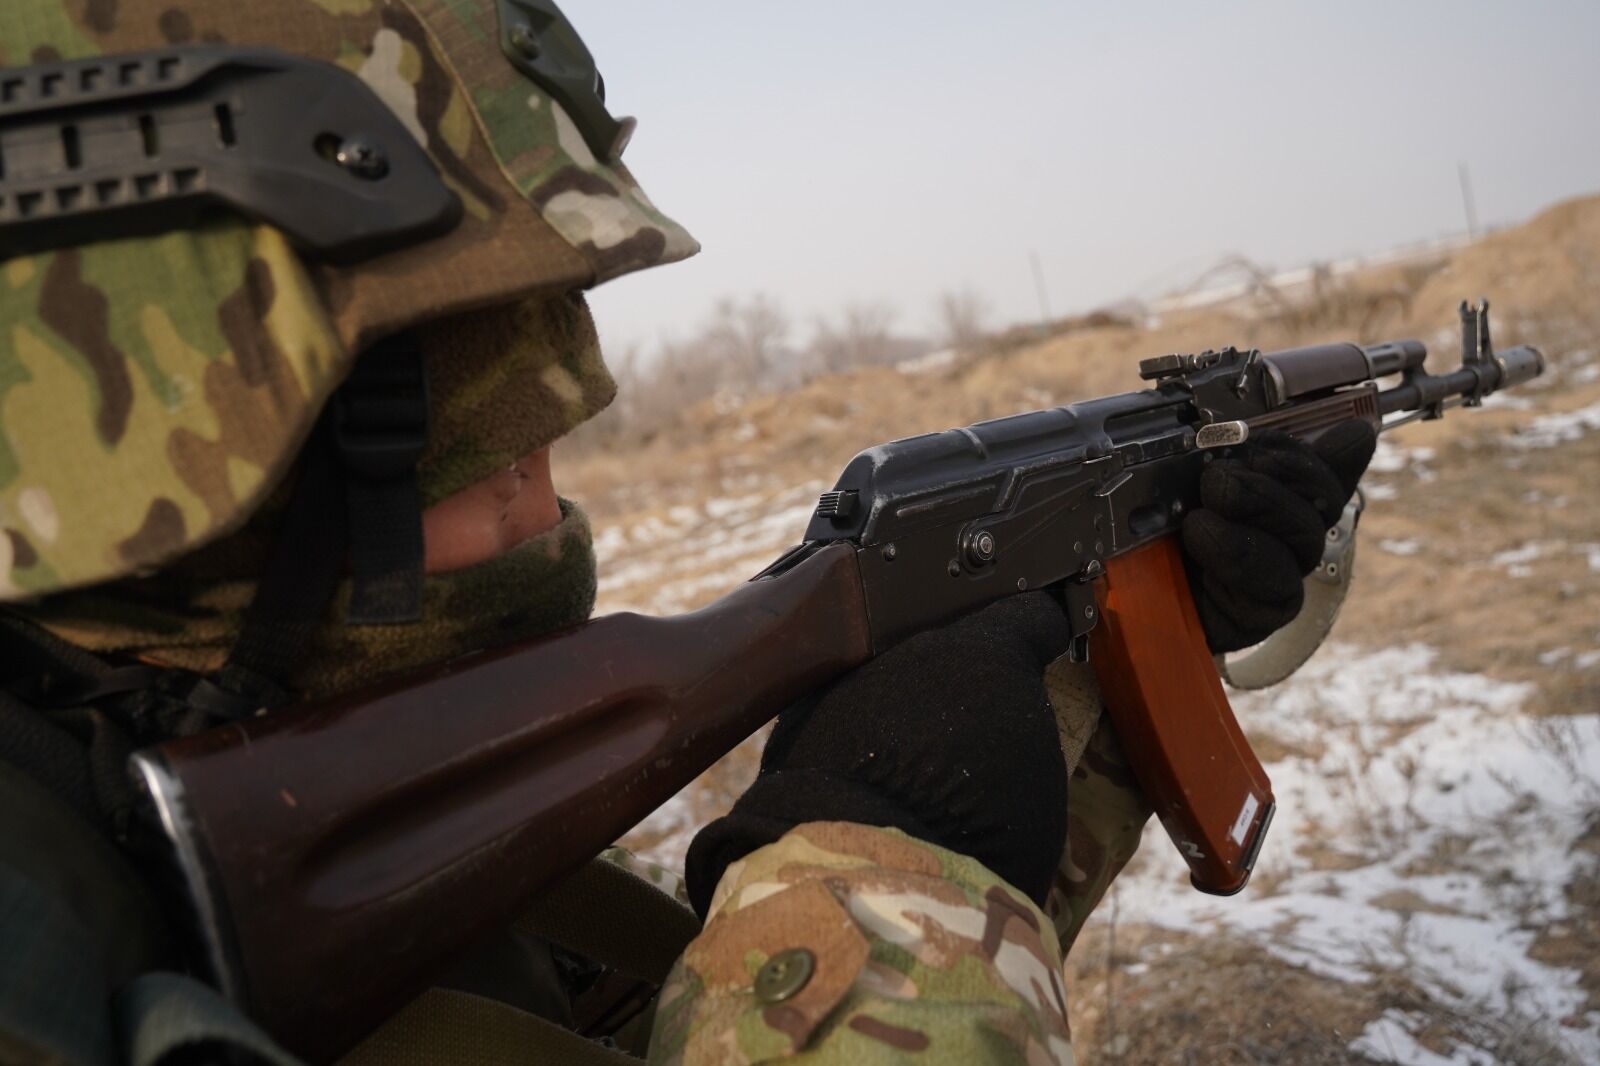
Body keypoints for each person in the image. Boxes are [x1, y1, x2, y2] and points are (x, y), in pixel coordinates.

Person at [0, 2, 1374, 1063]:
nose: (542, 503)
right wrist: (877, 870)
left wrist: (1105, 660)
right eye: (452, 434)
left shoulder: (280, 814)